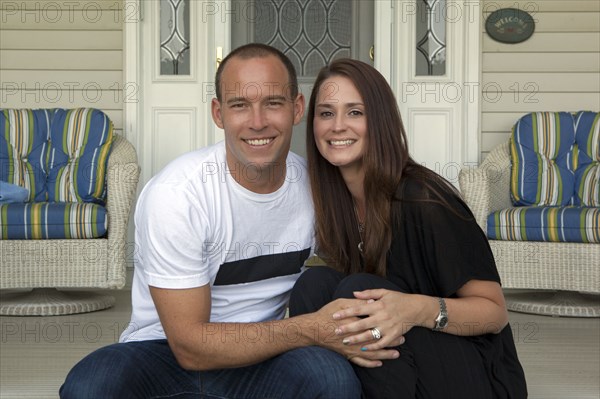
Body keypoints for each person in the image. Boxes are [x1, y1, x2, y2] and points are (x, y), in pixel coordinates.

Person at [60, 45, 398, 399]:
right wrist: (312, 328)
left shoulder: (316, 187)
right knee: (90, 384)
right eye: (240, 105)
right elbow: (190, 346)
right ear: (218, 113)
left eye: (273, 103)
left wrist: (423, 309)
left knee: (330, 378)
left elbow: (363, 263)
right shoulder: (178, 195)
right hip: (163, 354)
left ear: (297, 109)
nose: (257, 121)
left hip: (262, 357)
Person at [289, 58, 528, 398]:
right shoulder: (335, 202)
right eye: (326, 113)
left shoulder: (425, 201)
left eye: (355, 112)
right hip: (410, 368)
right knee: (313, 286)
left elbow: (494, 313)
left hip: (475, 375)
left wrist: (415, 309)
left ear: (381, 120)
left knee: (358, 291)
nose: (338, 125)